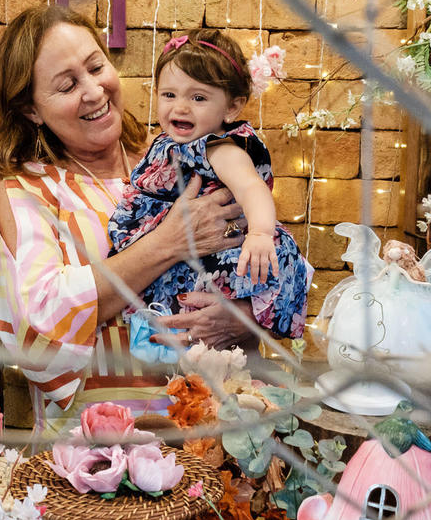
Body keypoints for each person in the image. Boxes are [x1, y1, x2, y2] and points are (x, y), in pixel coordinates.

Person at [0, 5, 253, 430]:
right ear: (32, 110)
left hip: (212, 430)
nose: (93, 91)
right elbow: (44, 314)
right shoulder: (27, 188)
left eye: (95, 67)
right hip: (98, 455)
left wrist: (242, 315)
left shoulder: (170, 155)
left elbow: (252, 248)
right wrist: (168, 241)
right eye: (67, 85)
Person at [108, 29, 312, 347]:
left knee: (202, 324)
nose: (180, 108)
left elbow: (251, 187)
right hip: (182, 249)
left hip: (213, 253)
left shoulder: (219, 148)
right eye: (169, 95)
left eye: (198, 98)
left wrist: (259, 233)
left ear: (231, 108)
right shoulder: (168, 142)